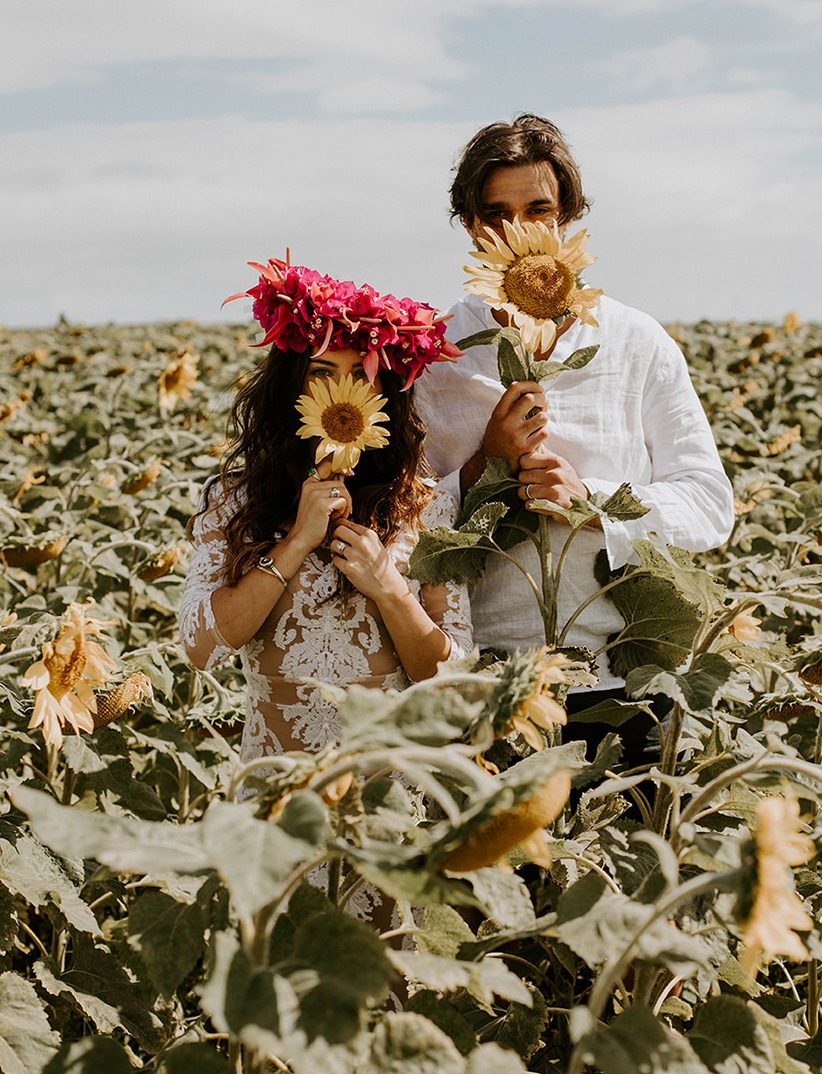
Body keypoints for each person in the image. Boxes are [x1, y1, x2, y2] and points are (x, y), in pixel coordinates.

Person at [414, 114, 734, 765]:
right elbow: (398, 526)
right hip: (483, 690)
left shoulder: (635, 343)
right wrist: (483, 467)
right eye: (496, 214)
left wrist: (592, 504)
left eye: (540, 209)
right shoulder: (434, 360)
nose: (521, 232)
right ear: (472, 226)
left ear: (568, 220)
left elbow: (708, 504)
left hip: (619, 682)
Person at [179, 262, 473, 764]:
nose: (342, 394)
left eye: (361, 375)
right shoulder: (234, 499)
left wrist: (388, 587)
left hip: (390, 792)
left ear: (384, 392)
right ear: (293, 385)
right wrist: (292, 544)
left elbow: (454, 679)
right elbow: (202, 649)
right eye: (321, 373)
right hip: (278, 791)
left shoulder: (426, 506)